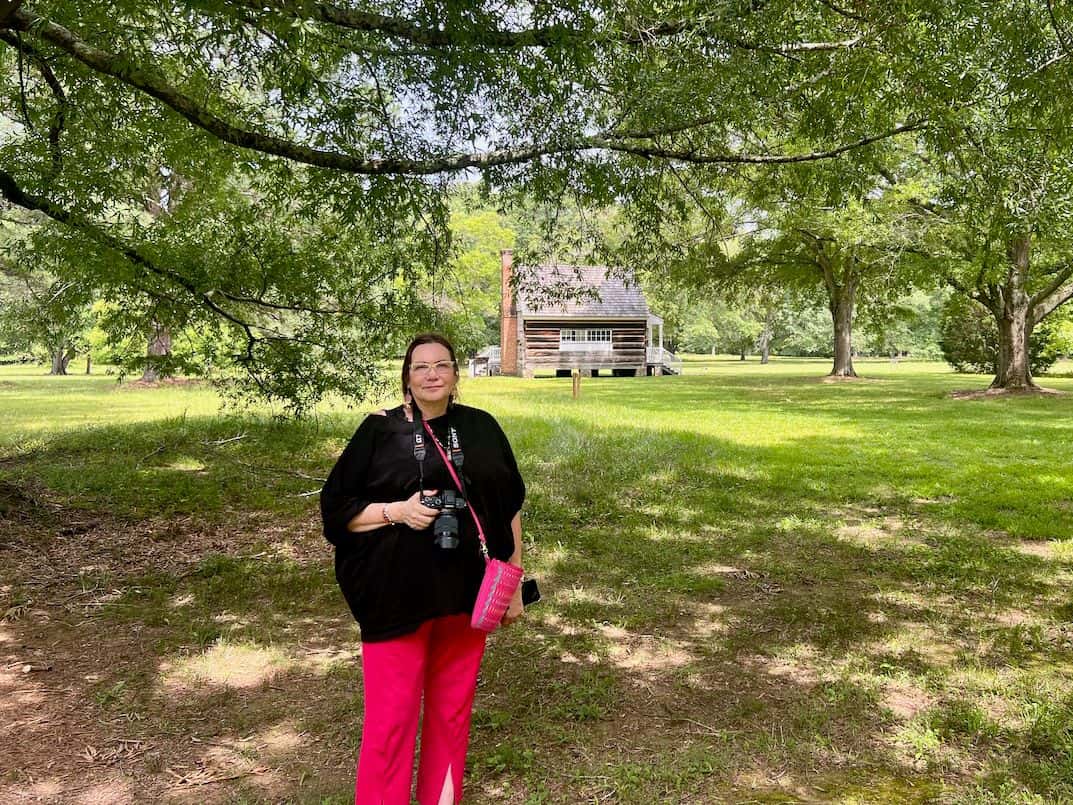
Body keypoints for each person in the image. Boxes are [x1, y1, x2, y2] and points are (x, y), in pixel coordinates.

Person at [320, 332, 526, 805]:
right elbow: (337, 509)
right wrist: (398, 511)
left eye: (442, 365)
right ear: (406, 379)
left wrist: (513, 580)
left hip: (466, 595)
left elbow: (508, 505)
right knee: (391, 722)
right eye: (421, 367)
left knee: (452, 716)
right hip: (396, 596)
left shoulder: (483, 427)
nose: (432, 374)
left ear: (456, 374)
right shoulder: (379, 430)